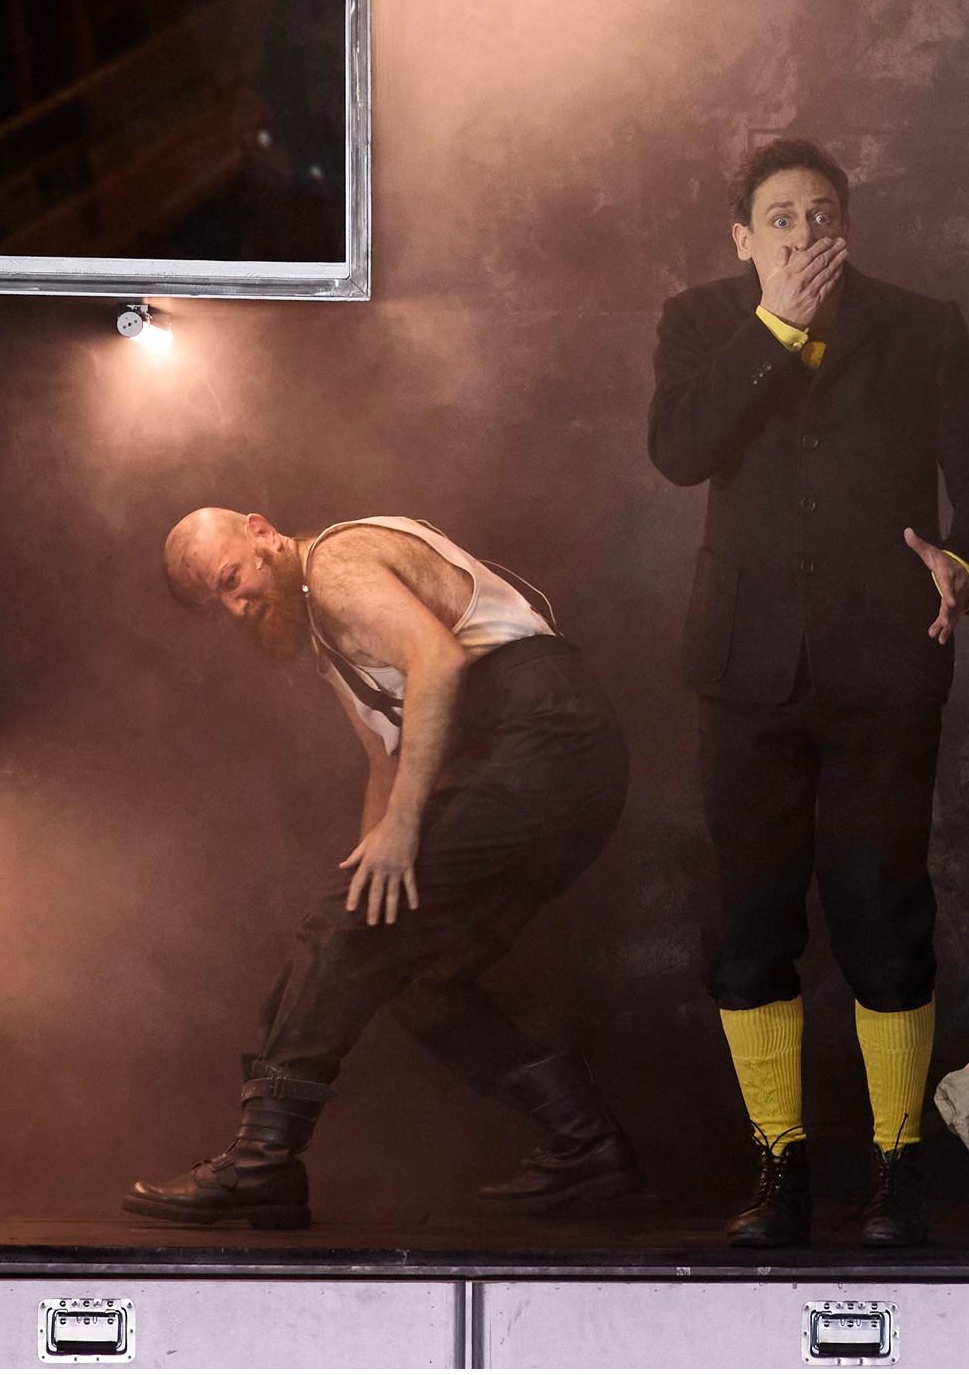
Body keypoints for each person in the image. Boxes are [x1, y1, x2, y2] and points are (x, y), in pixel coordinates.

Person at [648, 138, 969, 1251]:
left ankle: (900, 1166)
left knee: (882, 911)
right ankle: (781, 1166)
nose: (802, 234)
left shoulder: (919, 323)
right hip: (742, 673)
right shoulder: (699, 318)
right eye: (778, 217)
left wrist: (963, 567)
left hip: (884, 666)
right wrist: (771, 326)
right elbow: (678, 449)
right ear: (742, 236)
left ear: (845, 224)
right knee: (751, 922)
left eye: (819, 214)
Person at [124, 511, 638, 1229]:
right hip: (547, 761)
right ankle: (588, 1146)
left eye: (232, 579)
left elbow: (440, 662)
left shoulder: (335, 562)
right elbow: (383, 761)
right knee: (413, 972)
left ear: (261, 531)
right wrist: (358, 908)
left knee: (349, 930)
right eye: (221, 606)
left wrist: (388, 850)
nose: (238, 607)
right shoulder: (324, 639)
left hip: (544, 736)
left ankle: (261, 1163)